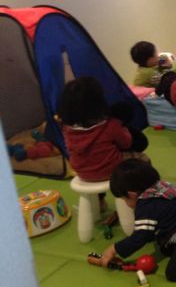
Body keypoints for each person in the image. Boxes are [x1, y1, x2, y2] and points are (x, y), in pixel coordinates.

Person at [58, 76, 149, 210]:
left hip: (83, 173)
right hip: (111, 170)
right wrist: (123, 128)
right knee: (142, 159)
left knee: (95, 161)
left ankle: (98, 203)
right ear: (99, 103)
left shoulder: (67, 129)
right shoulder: (110, 125)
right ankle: (143, 196)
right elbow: (126, 143)